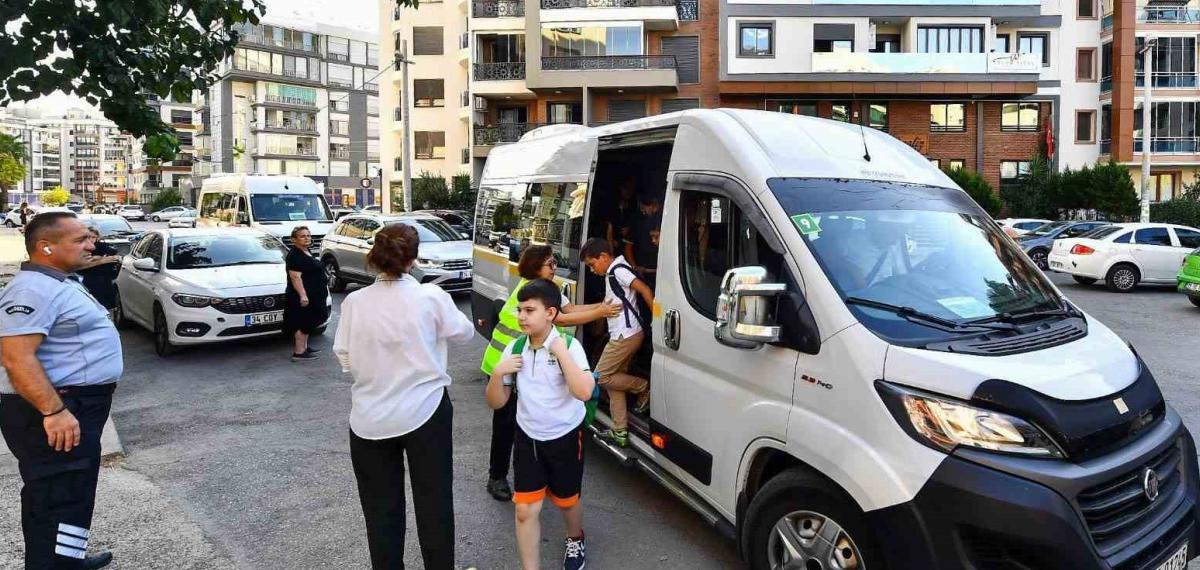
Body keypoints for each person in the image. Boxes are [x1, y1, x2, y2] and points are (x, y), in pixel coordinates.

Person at [334, 223, 474, 570]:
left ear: (374, 257)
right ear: (413, 258)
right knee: (434, 502)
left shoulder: (354, 302)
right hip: (425, 411)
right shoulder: (430, 296)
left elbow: (345, 358)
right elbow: (465, 333)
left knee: (380, 510)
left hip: (369, 418)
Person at [0, 212, 122, 570]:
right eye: (81, 239)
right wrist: (53, 411)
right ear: (46, 247)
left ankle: (66, 560)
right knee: (57, 492)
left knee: (73, 490)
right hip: (56, 408)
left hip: (75, 404)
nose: (92, 244)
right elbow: (16, 357)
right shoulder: (31, 289)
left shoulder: (59, 281)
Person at [480, 245, 619, 501]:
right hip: (504, 363)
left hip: (527, 363)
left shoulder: (549, 290)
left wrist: (601, 305)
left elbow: (568, 310)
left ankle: (534, 475)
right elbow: (561, 321)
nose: (556, 268)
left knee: (526, 417)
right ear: (536, 267)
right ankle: (496, 476)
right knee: (506, 424)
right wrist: (599, 313)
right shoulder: (529, 292)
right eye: (551, 264)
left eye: (555, 263)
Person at [485, 279, 595, 570]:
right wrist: (498, 374)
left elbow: (584, 392)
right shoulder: (515, 347)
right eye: (520, 309)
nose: (521, 316)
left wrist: (560, 352)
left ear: (550, 313)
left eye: (529, 310)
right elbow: (497, 402)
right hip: (528, 439)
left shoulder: (570, 346)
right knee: (524, 510)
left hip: (565, 437)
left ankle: (575, 538)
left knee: (567, 500)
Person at [580, 238, 653, 448]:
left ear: (603, 257)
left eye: (592, 265)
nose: (592, 270)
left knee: (601, 377)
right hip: (624, 334)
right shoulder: (614, 270)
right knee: (614, 383)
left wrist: (657, 319)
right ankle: (619, 431)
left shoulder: (617, 271)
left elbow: (645, 290)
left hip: (625, 336)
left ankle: (643, 387)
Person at [283, 226, 328, 362]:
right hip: (304, 296)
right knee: (302, 323)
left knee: (309, 321)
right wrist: (303, 295)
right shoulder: (295, 255)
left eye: (308, 235)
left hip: (315, 294)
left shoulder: (305, 251)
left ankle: (305, 347)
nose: (307, 238)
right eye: (303, 236)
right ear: (294, 240)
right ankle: (299, 352)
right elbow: (295, 277)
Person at [76, 227, 121, 315]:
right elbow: (79, 265)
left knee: (106, 307)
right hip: (88, 281)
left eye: (93, 237)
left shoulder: (104, 247)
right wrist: (100, 260)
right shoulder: (80, 248)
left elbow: (112, 258)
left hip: (104, 282)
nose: (91, 240)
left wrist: (97, 259)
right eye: (88, 237)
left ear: (97, 237)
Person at [623, 195, 663, 287]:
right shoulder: (637, 222)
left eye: (644, 207)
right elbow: (628, 246)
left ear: (654, 205)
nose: (643, 211)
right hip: (642, 272)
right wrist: (635, 268)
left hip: (661, 272)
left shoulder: (667, 221)